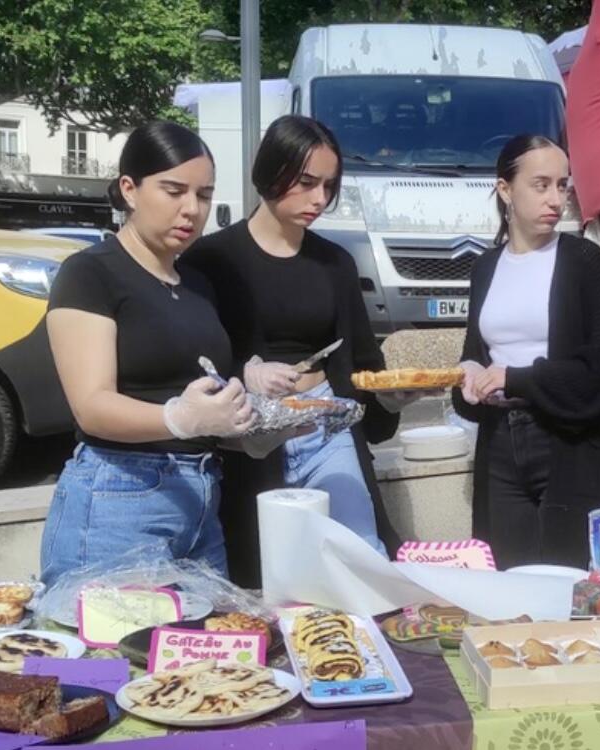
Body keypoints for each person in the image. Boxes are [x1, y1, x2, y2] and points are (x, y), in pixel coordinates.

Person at [182, 115, 405, 583]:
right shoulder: (212, 259)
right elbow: (190, 357)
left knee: (361, 558)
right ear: (271, 171)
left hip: (325, 423)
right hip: (249, 435)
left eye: (328, 185)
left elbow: (364, 361)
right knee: (264, 577)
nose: (319, 199)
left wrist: (390, 395)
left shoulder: (335, 263)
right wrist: (246, 372)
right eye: (305, 183)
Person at [41, 122, 255, 585]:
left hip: (202, 497)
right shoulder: (90, 273)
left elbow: (202, 395)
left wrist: (244, 423)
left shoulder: (197, 283)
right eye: (173, 191)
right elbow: (92, 406)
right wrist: (180, 418)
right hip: (120, 495)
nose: (191, 209)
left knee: (210, 652)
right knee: (110, 653)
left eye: (203, 195)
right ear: (130, 189)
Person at [452, 135, 600, 570]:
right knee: (508, 580)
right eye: (541, 184)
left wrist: (517, 377)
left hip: (567, 442)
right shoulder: (486, 267)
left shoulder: (583, 260)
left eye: (563, 185)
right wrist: (466, 379)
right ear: (505, 189)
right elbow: (475, 353)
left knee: (565, 582)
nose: (556, 199)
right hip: (499, 441)